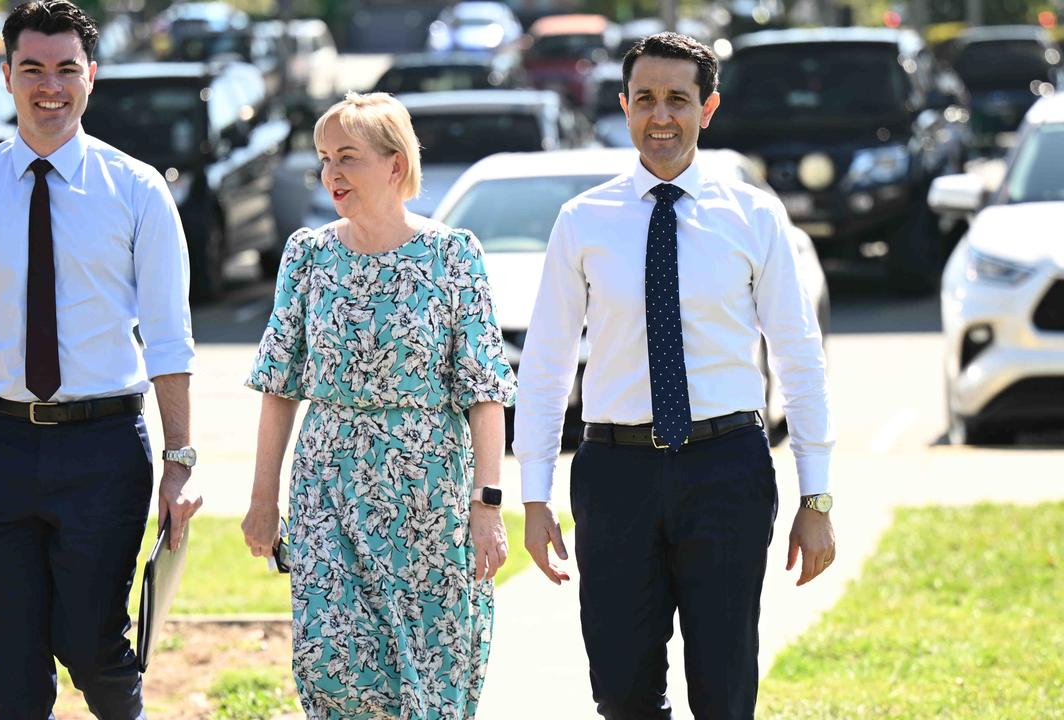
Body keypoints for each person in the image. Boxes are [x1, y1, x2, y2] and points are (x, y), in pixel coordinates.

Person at [0, 2, 202, 717]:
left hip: (105, 449)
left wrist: (180, 464)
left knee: (95, 647)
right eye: (32, 70)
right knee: (13, 672)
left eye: (65, 70)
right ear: (6, 76)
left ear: (92, 77)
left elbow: (170, 340)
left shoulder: (139, 191)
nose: (49, 87)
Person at [513, 32, 836, 719]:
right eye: (647, 99)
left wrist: (818, 499)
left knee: (723, 692)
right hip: (614, 475)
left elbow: (799, 358)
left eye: (679, 100)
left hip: (727, 469)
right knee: (623, 694)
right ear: (625, 107)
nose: (662, 116)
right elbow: (543, 367)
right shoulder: (583, 221)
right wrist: (534, 497)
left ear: (708, 108)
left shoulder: (754, 216)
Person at [241, 92, 517, 719]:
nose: (330, 175)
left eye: (347, 158)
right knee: (331, 663)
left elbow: (484, 389)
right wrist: (263, 500)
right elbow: (279, 384)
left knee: (430, 673)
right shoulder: (307, 255)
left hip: (428, 497)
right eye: (323, 160)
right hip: (327, 491)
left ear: (396, 166)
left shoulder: (454, 256)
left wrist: (488, 504)